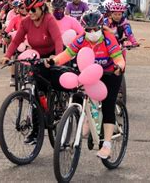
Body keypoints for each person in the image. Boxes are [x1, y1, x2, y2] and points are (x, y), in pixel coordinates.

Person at [47, 10, 125, 159]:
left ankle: (107, 145)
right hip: (89, 74)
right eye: (89, 30)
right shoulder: (81, 39)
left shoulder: (108, 38)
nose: (92, 32)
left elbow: (119, 59)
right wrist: (54, 61)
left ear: (101, 27)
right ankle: (87, 119)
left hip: (110, 74)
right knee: (78, 95)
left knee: (108, 105)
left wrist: (119, 67)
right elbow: (68, 54)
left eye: (96, 29)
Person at [0, 0, 63, 91]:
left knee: (55, 83)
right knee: (38, 86)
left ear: (42, 7)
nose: (30, 13)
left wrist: (57, 57)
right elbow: (16, 41)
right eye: (28, 9)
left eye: (33, 9)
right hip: (38, 56)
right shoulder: (25, 22)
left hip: (53, 53)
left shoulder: (49, 19)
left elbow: (58, 40)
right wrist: (7, 56)